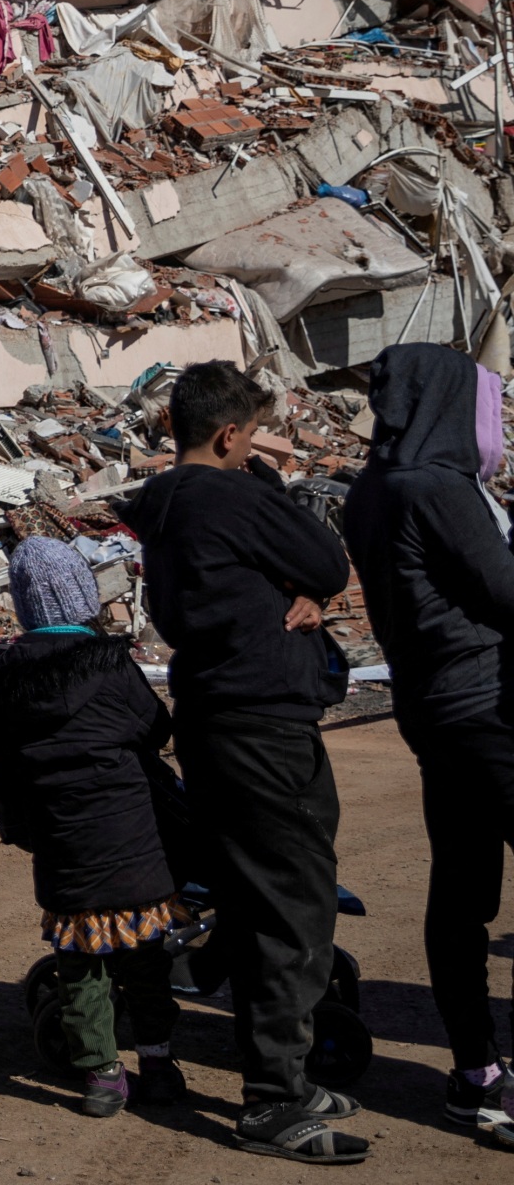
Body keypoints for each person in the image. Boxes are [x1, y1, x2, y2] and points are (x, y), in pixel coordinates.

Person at [120, 361, 364, 1164]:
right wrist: (272, 503)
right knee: (294, 906)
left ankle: (282, 1073)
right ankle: (273, 1099)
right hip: (265, 726)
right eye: (252, 435)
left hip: (218, 720)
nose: (256, 447)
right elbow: (327, 563)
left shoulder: (159, 507)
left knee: (259, 895)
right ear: (229, 435)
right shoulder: (236, 494)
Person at [344, 344, 514, 1137]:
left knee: (461, 894)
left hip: (432, 711)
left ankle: (476, 1072)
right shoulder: (436, 489)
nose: (496, 421)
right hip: (489, 708)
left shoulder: (373, 490)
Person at [0, 536, 185, 1118]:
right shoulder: (110, 663)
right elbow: (154, 729)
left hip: (60, 840)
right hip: (133, 837)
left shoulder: (2, 677)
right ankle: (160, 1064)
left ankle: (100, 1077)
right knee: (145, 957)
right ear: (82, 593)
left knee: (81, 966)